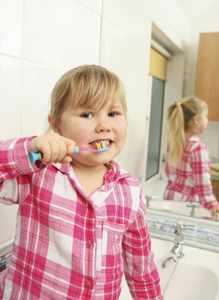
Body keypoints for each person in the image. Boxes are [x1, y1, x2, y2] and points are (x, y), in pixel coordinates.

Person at [0, 65, 163, 300]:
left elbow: (142, 270)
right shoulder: (36, 175)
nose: (104, 125)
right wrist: (31, 148)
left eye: (114, 113)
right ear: (57, 125)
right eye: (87, 114)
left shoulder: (131, 192)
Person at [163, 96, 219, 221]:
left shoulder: (173, 141)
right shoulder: (198, 147)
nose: (207, 119)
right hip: (185, 205)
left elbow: (168, 172)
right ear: (196, 119)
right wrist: (212, 204)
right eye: (206, 116)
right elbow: (202, 183)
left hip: (169, 198)